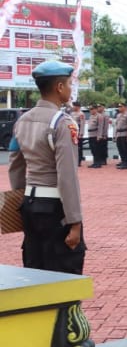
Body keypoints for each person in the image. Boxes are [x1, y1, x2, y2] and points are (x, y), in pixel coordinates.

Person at [9, 61, 85, 274]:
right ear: (59, 87)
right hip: (55, 207)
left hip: (30, 204)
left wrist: (20, 203)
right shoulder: (62, 123)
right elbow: (67, 176)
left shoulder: (22, 121)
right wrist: (75, 221)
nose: (71, 89)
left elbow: (15, 166)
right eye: (69, 84)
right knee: (64, 270)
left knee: (35, 269)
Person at [113, 102, 127, 169]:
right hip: (119, 134)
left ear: (124, 107)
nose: (119, 108)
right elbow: (116, 126)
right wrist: (115, 135)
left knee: (125, 149)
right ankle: (123, 161)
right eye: (119, 107)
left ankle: (126, 163)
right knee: (120, 149)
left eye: (121, 106)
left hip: (125, 134)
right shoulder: (118, 115)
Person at [70, 101, 85, 166]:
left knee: (79, 147)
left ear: (77, 106)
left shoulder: (81, 114)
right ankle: (74, 160)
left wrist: (81, 133)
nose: (73, 107)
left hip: (78, 131)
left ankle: (79, 161)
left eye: (74, 106)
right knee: (73, 147)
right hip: (72, 131)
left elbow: (82, 124)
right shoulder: (72, 113)